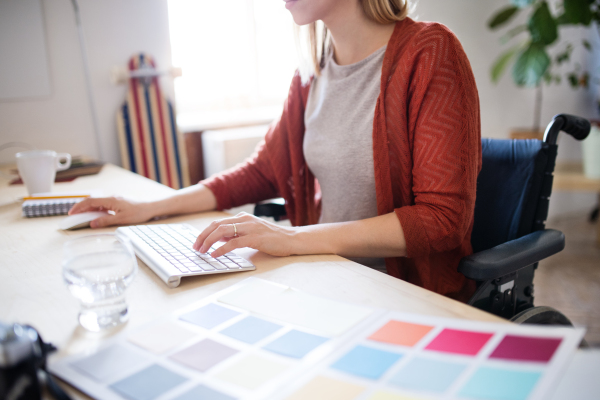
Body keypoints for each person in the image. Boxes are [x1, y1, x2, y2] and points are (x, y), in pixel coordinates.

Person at [70, 0, 481, 301]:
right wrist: (151, 207)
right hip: (328, 277)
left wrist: (293, 238)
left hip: (404, 293)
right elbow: (263, 170)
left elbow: (442, 221)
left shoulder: (430, 53)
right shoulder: (312, 72)